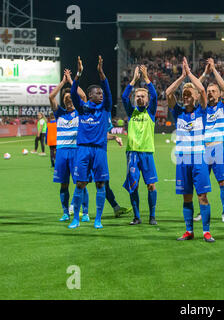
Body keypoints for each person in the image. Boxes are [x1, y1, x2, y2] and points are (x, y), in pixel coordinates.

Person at [165, 57, 215, 242]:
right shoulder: (177, 112)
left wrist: (191, 75)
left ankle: (206, 231)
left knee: (202, 196)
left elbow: (201, 89)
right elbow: (168, 92)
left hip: (199, 158)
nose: (186, 97)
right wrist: (182, 76)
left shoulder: (201, 110)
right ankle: (189, 231)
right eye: (184, 95)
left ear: (194, 97)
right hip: (183, 159)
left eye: (189, 95)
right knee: (187, 198)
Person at [68, 55, 112, 230]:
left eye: (101, 93)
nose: (101, 95)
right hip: (83, 150)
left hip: (100, 150)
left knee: (100, 184)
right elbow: (72, 93)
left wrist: (101, 73)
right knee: (80, 184)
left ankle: (98, 219)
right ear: (90, 95)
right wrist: (78, 74)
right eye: (98, 93)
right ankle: (76, 219)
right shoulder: (83, 108)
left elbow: (108, 92)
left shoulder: (105, 108)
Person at [49, 68, 90, 222]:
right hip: (61, 152)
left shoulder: (80, 112)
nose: (68, 100)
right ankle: (66, 212)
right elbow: (51, 96)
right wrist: (63, 82)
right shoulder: (59, 113)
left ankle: (85, 213)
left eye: (70, 98)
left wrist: (72, 82)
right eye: (65, 99)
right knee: (63, 185)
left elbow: (83, 95)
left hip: (76, 152)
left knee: (81, 183)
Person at [195, 58, 224, 223]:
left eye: (213, 91)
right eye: (208, 91)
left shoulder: (223, 106)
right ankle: (202, 212)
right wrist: (204, 74)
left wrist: (214, 70)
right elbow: (195, 89)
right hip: (203, 149)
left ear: (218, 94)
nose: (210, 93)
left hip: (217, 148)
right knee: (202, 183)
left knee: (222, 182)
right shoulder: (201, 108)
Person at [122, 64, 158, 226]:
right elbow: (124, 98)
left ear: (147, 99)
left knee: (151, 185)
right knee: (133, 186)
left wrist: (146, 79)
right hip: (133, 154)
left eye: (143, 96)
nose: (140, 98)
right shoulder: (131, 112)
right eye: (137, 96)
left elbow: (156, 96)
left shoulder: (150, 112)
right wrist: (133, 81)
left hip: (147, 153)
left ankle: (152, 216)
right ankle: (136, 216)